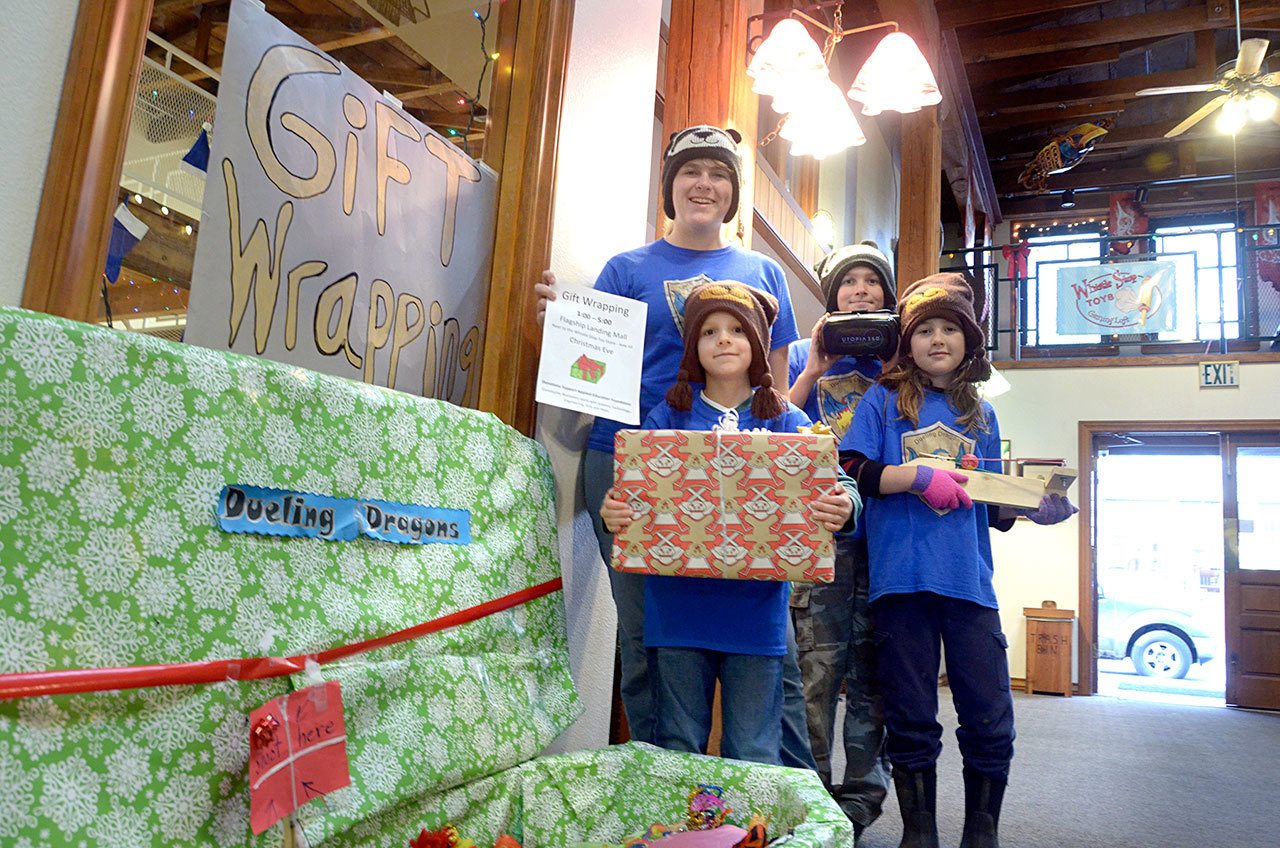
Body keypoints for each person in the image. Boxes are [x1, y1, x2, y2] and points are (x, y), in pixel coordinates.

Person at [535, 125, 810, 762]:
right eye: (691, 172)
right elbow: (591, 361)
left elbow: (775, 386)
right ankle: (663, 790)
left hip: (742, 470)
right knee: (645, 635)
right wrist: (564, 328)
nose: (704, 184)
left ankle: (793, 799)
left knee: (773, 648)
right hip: (627, 461)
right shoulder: (626, 269)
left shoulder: (762, 270)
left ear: (733, 191)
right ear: (670, 186)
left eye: (718, 173)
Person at [843, 273, 1077, 848]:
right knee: (911, 712)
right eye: (925, 329)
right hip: (899, 583)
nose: (938, 338)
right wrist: (920, 477)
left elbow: (989, 500)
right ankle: (919, 829)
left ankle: (983, 829)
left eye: (951, 328)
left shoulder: (983, 415)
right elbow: (856, 471)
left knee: (989, 711)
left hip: (969, 584)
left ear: (969, 342)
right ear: (909, 341)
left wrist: (1031, 507)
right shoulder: (881, 401)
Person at [599, 281, 857, 764]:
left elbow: (839, 483)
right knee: (678, 746)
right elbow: (631, 492)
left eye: (737, 330)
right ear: (693, 346)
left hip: (754, 614)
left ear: (757, 344)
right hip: (676, 610)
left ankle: (746, 838)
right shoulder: (666, 415)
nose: (723, 340)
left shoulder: (789, 421)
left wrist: (844, 507)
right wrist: (617, 510)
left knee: (753, 748)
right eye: (710, 331)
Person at [786, 241, 896, 840]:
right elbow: (768, 425)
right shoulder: (806, 353)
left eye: (871, 282)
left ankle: (860, 801)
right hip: (816, 539)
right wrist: (812, 368)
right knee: (815, 669)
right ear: (832, 297)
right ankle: (811, 794)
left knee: (872, 675)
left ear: (886, 295)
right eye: (848, 282)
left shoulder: (900, 364)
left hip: (881, 539)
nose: (860, 290)